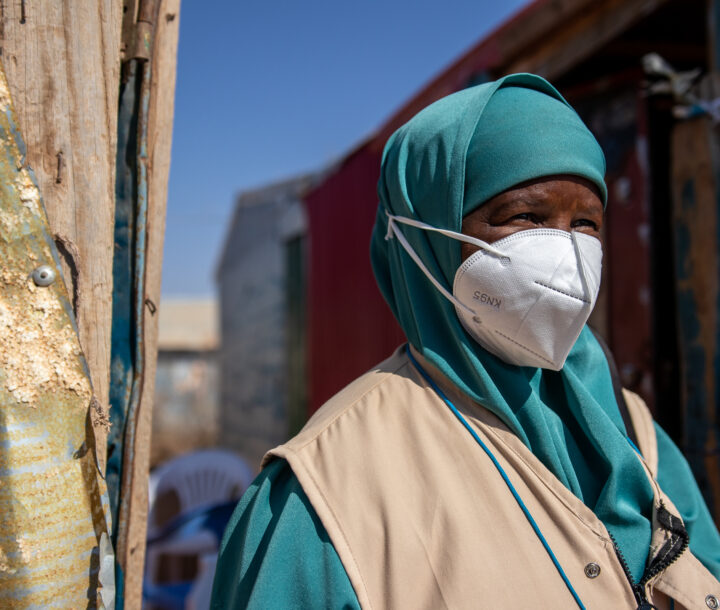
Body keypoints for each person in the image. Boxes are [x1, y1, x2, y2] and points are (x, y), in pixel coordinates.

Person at [210, 73, 720, 609]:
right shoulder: (323, 494)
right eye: (527, 216)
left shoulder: (630, 427)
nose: (568, 254)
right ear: (424, 235)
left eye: (587, 222)